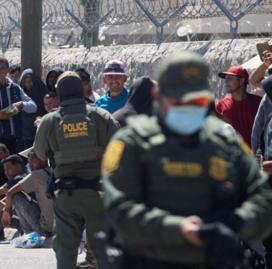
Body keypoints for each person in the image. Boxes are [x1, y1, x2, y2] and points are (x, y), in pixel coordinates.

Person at [102, 51, 272, 268]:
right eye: (177, 100)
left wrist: (233, 223)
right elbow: (117, 206)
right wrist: (178, 228)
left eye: (195, 100)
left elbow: (262, 199)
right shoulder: (132, 143)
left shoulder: (224, 142)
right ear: (158, 97)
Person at [34, 71, 120, 269]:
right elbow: (120, 149)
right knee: (101, 251)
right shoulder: (101, 116)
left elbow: (39, 153)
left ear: (59, 94)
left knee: (65, 250)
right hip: (98, 193)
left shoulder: (50, 120)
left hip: (66, 194)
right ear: (81, 90)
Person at [1, 149, 54, 237]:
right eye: (29, 157)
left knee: (16, 196)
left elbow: (10, 193)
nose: (30, 160)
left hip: (45, 230)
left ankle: (27, 233)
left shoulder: (35, 175)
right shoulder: (53, 171)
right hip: (58, 227)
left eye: (33, 157)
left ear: (44, 158)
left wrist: (6, 212)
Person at [216, 65, 261, 146]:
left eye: (230, 78)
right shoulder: (221, 106)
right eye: (225, 78)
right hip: (234, 156)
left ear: (242, 81)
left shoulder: (259, 103)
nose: (226, 81)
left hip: (258, 156)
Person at [18, 68, 48, 151]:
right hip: (22, 136)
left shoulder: (43, 94)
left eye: (30, 81)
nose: (28, 84)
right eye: (25, 81)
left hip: (38, 135)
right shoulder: (17, 95)